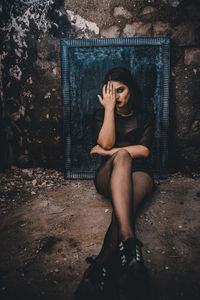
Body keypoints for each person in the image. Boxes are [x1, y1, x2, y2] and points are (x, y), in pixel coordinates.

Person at [75, 67, 155, 300]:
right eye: (111, 92)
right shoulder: (101, 115)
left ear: (131, 89)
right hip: (107, 176)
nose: (117, 96)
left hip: (140, 175)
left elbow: (144, 150)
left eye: (120, 90)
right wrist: (109, 110)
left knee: (123, 212)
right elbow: (107, 143)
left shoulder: (145, 117)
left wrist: (105, 151)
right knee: (121, 157)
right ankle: (130, 245)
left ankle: (100, 268)